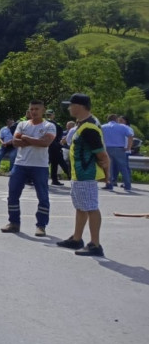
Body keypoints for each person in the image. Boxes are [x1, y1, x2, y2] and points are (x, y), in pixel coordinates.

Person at [56, 93, 111, 256]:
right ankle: (77, 238)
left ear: (79, 106)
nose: (69, 108)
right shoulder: (83, 124)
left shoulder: (89, 128)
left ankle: (95, 244)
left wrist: (106, 175)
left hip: (86, 173)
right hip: (79, 174)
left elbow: (102, 155)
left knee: (91, 207)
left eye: (71, 105)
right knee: (81, 206)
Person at [0, 101, 56, 237]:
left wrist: (25, 138)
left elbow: (45, 143)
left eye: (37, 109)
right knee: (13, 194)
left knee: (43, 196)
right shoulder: (22, 124)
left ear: (43, 110)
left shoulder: (49, 126)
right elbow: (15, 142)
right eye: (31, 109)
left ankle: (41, 225)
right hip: (20, 164)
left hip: (40, 166)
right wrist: (34, 140)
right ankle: (14, 223)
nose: (34, 112)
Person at [102, 114, 133, 192]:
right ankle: (127, 186)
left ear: (108, 119)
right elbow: (130, 136)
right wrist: (128, 147)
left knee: (109, 168)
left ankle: (109, 185)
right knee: (123, 168)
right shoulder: (123, 127)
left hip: (107, 148)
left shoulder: (103, 127)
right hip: (119, 148)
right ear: (116, 119)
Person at [45, 109, 70, 186]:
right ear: (53, 115)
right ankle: (71, 176)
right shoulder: (55, 124)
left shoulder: (43, 123)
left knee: (52, 163)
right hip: (54, 146)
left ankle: (54, 179)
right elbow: (59, 135)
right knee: (60, 162)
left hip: (46, 146)